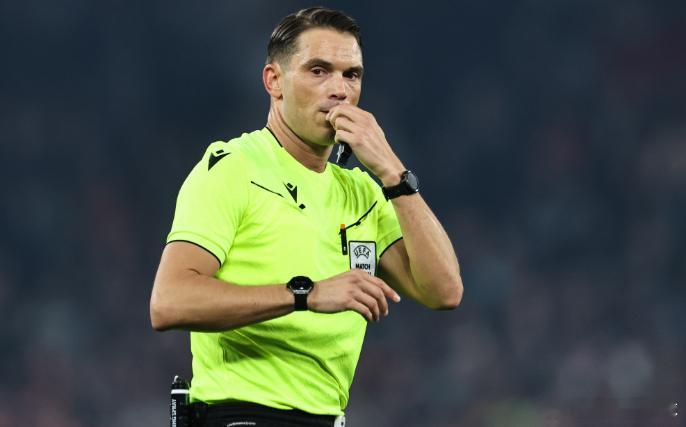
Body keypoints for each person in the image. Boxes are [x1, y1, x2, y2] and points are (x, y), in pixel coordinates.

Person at [150, 6, 463, 427]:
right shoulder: (234, 168)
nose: (339, 90)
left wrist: (392, 170)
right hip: (242, 414)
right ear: (273, 81)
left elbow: (444, 291)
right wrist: (306, 294)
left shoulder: (362, 192)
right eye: (319, 71)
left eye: (351, 75)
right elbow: (169, 302)